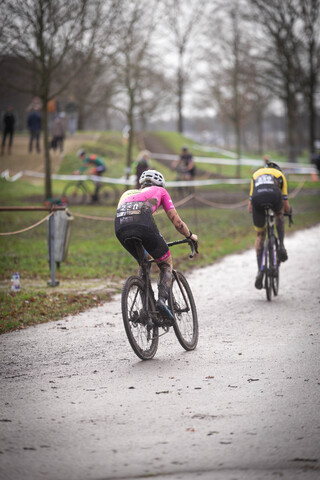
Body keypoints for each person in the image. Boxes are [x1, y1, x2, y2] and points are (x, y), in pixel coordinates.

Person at [114, 169, 198, 323]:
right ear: (160, 184)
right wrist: (190, 236)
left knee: (144, 261)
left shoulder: (127, 193)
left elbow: (123, 213)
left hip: (120, 227)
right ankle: (161, 301)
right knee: (165, 263)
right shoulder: (160, 191)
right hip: (142, 223)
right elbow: (177, 222)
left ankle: (146, 310)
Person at [248, 161, 292, 290]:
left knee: (260, 235)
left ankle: (260, 271)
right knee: (279, 215)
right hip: (274, 196)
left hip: (257, 199)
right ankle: (282, 247)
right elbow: (285, 203)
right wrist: (288, 213)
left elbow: (250, 207)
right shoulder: (280, 175)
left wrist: (256, 212)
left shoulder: (256, 174)